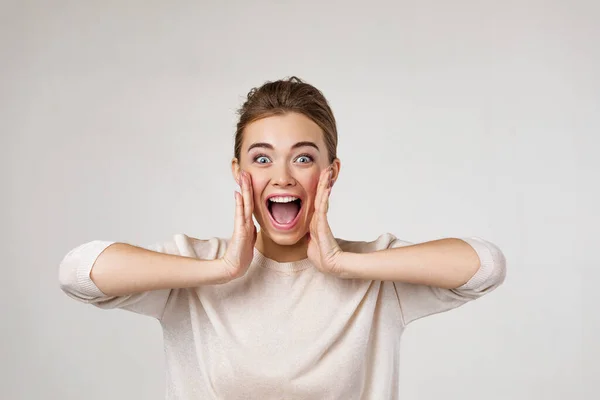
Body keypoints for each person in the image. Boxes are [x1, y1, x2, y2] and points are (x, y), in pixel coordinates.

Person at [59, 76, 506, 399]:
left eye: (304, 159)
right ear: (239, 173)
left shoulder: (376, 273)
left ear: (330, 173)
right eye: (262, 158)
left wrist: (342, 265)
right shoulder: (193, 269)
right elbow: (79, 272)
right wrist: (221, 270)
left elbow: (484, 266)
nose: (283, 178)